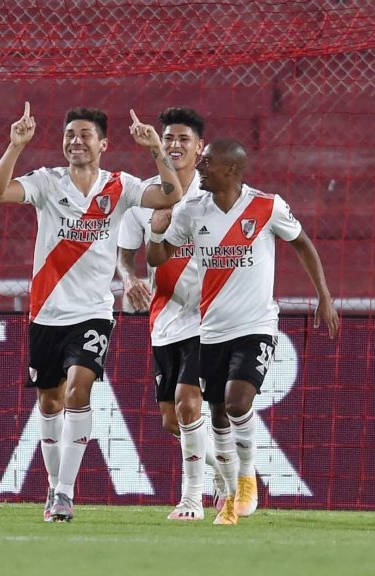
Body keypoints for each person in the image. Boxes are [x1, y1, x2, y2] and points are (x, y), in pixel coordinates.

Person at [0, 104, 183, 522]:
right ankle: (54, 490)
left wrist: (155, 152)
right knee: (50, 401)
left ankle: (65, 492)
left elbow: (171, 193)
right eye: (70, 134)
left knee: (79, 388)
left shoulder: (120, 186)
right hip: (46, 311)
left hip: (93, 311)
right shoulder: (45, 181)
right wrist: (15, 146)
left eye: (85, 134)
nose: (76, 140)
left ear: (103, 144)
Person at [147, 138, 339, 524]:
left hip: (256, 325)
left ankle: (247, 479)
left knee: (236, 402)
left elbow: (302, 244)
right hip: (211, 330)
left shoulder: (267, 206)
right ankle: (232, 493)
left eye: (207, 162)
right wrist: (156, 234)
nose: (199, 167)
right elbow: (157, 257)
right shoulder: (191, 209)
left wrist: (325, 296)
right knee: (217, 412)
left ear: (232, 170)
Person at [116, 107, 224, 520]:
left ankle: (191, 500)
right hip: (163, 319)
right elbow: (123, 257)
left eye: (184, 139)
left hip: (208, 318)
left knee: (188, 404)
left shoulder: (215, 196)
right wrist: (128, 281)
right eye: (169, 139)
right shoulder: (142, 198)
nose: (175, 145)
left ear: (200, 150)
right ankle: (225, 472)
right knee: (171, 421)